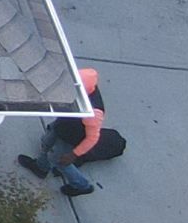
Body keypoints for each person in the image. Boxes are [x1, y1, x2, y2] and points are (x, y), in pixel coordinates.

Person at [18, 65, 124, 196]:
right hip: (62, 125)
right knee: (46, 142)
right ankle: (41, 167)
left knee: (60, 161)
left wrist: (73, 154)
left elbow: (92, 138)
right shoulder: (80, 88)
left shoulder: (94, 112)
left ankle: (82, 186)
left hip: (71, 138)